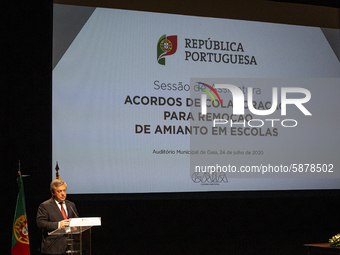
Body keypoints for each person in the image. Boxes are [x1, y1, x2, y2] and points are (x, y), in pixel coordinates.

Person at [37, 179, 78, 255]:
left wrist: (76, 225)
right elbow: (41, 223)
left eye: (64, 190)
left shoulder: (71, 205)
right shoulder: (45, 206)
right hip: (52, 248)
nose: (63, 193)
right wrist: (59, 224)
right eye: (59, 191)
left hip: (70, 247)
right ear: (53, 193)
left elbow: (76, 219)